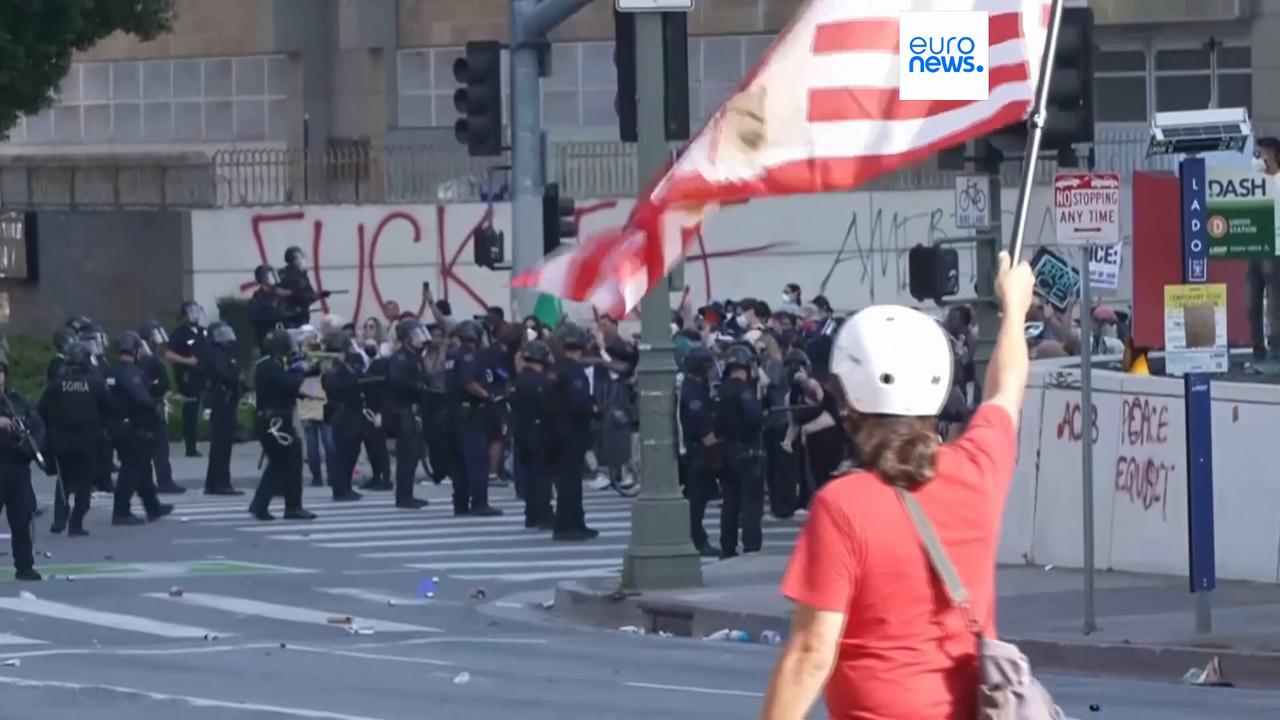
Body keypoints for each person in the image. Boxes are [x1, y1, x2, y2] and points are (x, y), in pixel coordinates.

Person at [760, 252, 1034, 720]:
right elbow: (1006, 391)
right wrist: (1015, 311)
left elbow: (811, 655)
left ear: (848, 402)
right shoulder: (977, 471)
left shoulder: (842, 506)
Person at [40, 341, 114, 536]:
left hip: (61, 441)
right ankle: (76, 523)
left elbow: (41, 411)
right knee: (84, 483)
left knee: (63, 480)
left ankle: (59, 518)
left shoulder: (55, 385)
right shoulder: (95, 384)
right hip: (88, 441)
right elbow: (110, 409)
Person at [249, 329, 317, 522]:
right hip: (276, 423)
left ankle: (259, 504)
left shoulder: (269, 365)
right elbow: (295, 386)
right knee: (289, 462)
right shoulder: (271, 367)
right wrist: (311, 380)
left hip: (274, 422)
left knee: (278, 464)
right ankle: (292, 507)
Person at [109, 332, 175, 526]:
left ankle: (152, 506)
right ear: (136, 350)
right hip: (134, 427)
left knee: (143, 468)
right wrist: (156, 404)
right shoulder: (131, 372)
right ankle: (121, 511)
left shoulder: (113, 371)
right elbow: (141, 398)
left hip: (118, 425)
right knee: (131, 469)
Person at [714, 343, 765, 559]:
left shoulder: (720, 390)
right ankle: (751, 545)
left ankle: (727, 545)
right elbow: (754, 418)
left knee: (730, 502)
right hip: (747, 452)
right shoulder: (744, 391)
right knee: (751, 503)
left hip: (725, 452)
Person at [445, 320, 501, 516]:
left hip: (454, 413)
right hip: (469, 413)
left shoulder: (452, 355)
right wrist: (487, 396)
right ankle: (479, 503)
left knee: (460, 461)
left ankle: (460, 503)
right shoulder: (469, 356)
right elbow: (469, 383)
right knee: (478, 460)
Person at [548, 323, 597, 541]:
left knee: (567, 479)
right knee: (570, 481)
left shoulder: (556, 368)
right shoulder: (574, 371)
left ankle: (574, 522)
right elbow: (578, 403)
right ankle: (569, 525)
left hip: (557, 430)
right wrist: (593, 408)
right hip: (571, 432)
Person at [0, 349, 45, 581]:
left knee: (21, 518)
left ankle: (25, 565)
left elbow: (36, 424)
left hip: (17, 466)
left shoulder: (15, 400)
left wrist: (30, 442)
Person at [678, 345, 719, 557]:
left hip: (698, 452)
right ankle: (696, 538)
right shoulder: (692, 391)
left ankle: (697, 535)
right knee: (697, 500)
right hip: (698, 453)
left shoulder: (697, 387)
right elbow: (701, 424)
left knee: (698, 499)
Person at [386, 320, 432, 509]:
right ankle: (403, 497)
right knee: (407, 454)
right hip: (405, 412)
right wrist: (419, 388)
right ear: (405, 338)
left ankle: (408, 494)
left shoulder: (415, 356)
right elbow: (399, 383)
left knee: (413, 455)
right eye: (415, 335)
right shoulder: (401, 358)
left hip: (415, 411)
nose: (420, 339)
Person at [138, 320, 185, 495]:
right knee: (159, 447)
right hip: (153, 406)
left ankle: (158, 481)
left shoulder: (148, 360)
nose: (158, 343)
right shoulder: (149, 362)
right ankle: (163, 481)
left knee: (157, 447)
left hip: (155, 404)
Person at [513, 339, 554, 529]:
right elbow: (548, 408)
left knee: (529, 474)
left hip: (522, 432)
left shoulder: (520, 380)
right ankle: (543, 514)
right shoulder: (541, 382)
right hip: (540, 432)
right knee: (542, 475)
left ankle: (531, 514)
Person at [321, 331, 365, 502]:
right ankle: (340, 489)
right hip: (341, 411)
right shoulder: (331, 367)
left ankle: (346, 486)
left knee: (352, 451)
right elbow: (334, 385)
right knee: (342, 452)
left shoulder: (348, 364)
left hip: (353, 410)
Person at [202, 322, 243, 496]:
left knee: (220, 444)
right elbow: (224, 373)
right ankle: (221, 483)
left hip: (222, 400)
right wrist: (235, 375)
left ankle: (213, 483)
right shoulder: (215, 352)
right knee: (222, 445)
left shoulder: (221, 352)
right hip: (221, 401)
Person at [167, 300, 207, 458]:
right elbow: (169, 354)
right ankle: (190, 447)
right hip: (188, 377)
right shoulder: (180, 333)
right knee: (190, 411)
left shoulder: (203, 331)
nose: (195, 315)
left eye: (197, 311)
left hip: (205, 375)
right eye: (191, 312)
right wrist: (187, 361)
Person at [278, 247, 328, 329]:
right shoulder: (296, 277)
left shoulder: (286, 274)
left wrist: (319, 295)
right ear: (294, 259)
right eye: (301, 257)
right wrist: (319, 295)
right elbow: (302, 296)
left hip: (293, 315)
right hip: (296, 317)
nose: (303, 260)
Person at [248, 264, 287, 349]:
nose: (274, 278)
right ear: (263, 279)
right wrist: (276, 316)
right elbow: (256, 320)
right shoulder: (257, 299)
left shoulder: (278, 295)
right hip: (266, 340)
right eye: (270, 276)